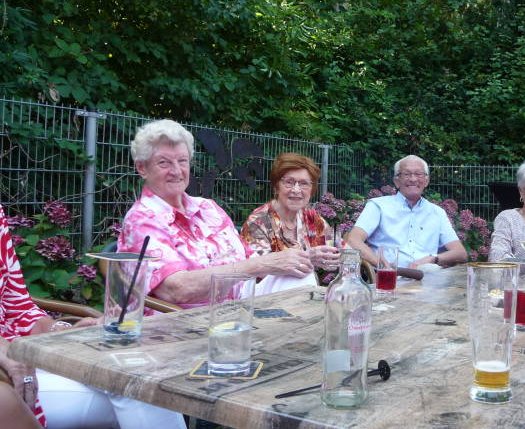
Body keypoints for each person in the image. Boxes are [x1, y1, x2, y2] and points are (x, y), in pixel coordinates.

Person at [0, 205, 186, 428]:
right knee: (139, 390)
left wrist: (60, 331)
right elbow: (177, 288)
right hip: (9, 375)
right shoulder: (145, 214)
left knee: (137, 370)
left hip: (22, 355)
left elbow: (16, 304)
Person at [118, 119, 313, 309]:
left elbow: (250, 257)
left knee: (300, 273)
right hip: (188, 319)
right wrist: (262, 265)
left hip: (240, 305)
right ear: (142, 168)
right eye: (164, 163)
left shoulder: (208, 208)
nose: (176, 171)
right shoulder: (142, 220)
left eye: (182, 161)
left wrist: (299, 258)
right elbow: (176, 290)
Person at [241, 152, 339, 294]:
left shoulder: (310, 217)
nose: (296, 190)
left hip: (301, 295)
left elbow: (338, 246)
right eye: (289, 182)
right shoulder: (258, 222)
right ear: (276, 187)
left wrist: (337, 256)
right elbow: (259, 272)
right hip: (263, 297)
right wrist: (307, 257)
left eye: (304, 183)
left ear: (312, 190)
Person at [347, 155, 467, 268]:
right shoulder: (378, 206)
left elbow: (460, 253)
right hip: (387, 277)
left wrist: (433, 258)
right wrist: (382, 265)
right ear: (396, 181)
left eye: (419, 174)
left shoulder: (437, 212)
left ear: (426, 181)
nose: (413, 179)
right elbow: (353, 240)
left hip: (427, 277)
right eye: (407, 174)